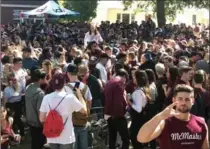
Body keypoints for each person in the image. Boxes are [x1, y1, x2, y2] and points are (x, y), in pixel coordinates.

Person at [137, 84, 209, 149]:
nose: (183, 103)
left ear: (192, 101)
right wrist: (160, 116)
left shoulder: (201, 123)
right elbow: (141, 138)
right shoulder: (164, 122)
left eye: (187, 99)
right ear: (173, 100)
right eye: (180, 99)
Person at [39, 73, 87, 149]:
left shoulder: (46, 98)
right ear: (64, 83)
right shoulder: (70, 97)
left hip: (52, 134)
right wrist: (79, 94)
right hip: (67, 136)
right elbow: (84, 111)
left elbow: (42, 119)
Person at [104, 68, 130, 149]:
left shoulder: (109, 82)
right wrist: (121, 115)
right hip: (117, 115)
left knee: (112, 138)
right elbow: (118, 102)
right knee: (125, 139)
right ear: (124, 77)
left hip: (108, 114)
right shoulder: (119, 84)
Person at [25, 69, 46, 149]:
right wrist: (44, 124)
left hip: (30, 120)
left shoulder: (28, 88)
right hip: (38, 123)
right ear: (40, 79)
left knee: (34, 141)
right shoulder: (40, 94)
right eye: (44, 78)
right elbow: (40, 112)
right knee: (39, 143)